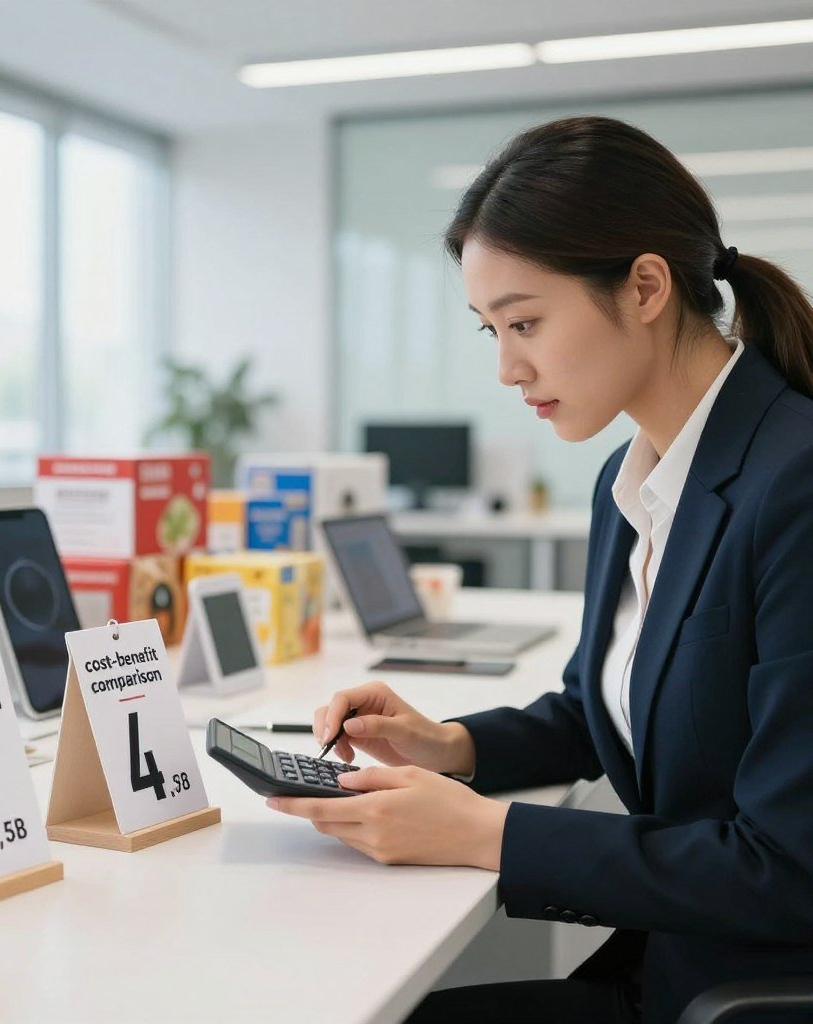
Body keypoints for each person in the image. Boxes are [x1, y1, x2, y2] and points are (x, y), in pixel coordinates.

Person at [266, 115, 813, 1024]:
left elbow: (791, 869)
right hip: (675, 959)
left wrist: (492, 835)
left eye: (525, 322)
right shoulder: (630, 478)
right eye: (490, 330)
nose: (509, 368)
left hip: (740, 986)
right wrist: (453, 746)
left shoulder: (793, 482)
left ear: (645, 286)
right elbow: (606, 708)